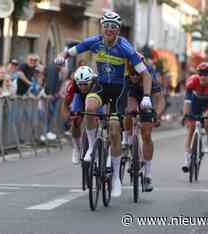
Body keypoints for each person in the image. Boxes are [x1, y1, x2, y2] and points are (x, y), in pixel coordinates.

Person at [55, 11, 153, 197]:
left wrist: (147, 96)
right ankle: (92, 147)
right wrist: (62, 56)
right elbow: (70, 51)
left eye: (113, 27)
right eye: (106, 26)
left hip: (118, 89)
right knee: (90, 108)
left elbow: (145, 74)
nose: (109, 30)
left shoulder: (125, 48)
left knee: (115, 129)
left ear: (118, 30)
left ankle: (115, 177)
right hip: (100, 85)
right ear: (102, 27)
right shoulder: (95, 41)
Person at [123, 52, 165, 192]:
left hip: (146, 98)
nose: (134, 76)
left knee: (146, 134)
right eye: (131, 73)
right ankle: (127, 140)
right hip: (133, 96)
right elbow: (125, 100)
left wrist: (157, 116)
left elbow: (159, 100)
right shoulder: (126, 77)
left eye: (137, 74)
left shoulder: (150, 77)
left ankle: (147, 175)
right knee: (129, 111)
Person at [182, 62, 208, 173]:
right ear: (198, 75)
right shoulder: (192, 81)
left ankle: (207, 141)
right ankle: (186, 160)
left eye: (206, 74)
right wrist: (186, 115)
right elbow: (187, 101)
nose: (203, 76)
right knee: (190, 130)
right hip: (196, 102)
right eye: (201, 74)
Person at [70, 66, 104, 165]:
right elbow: (66, 103)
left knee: (99, 116)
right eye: (80, 84)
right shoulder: (73, 85)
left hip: (96, 97)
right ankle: (77, 147)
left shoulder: (98, 83)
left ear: (91, 81)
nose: (82, 87)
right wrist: (70, 115)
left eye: (85, 84)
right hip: (80, 98)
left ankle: (100, 142)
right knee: (75, 121)